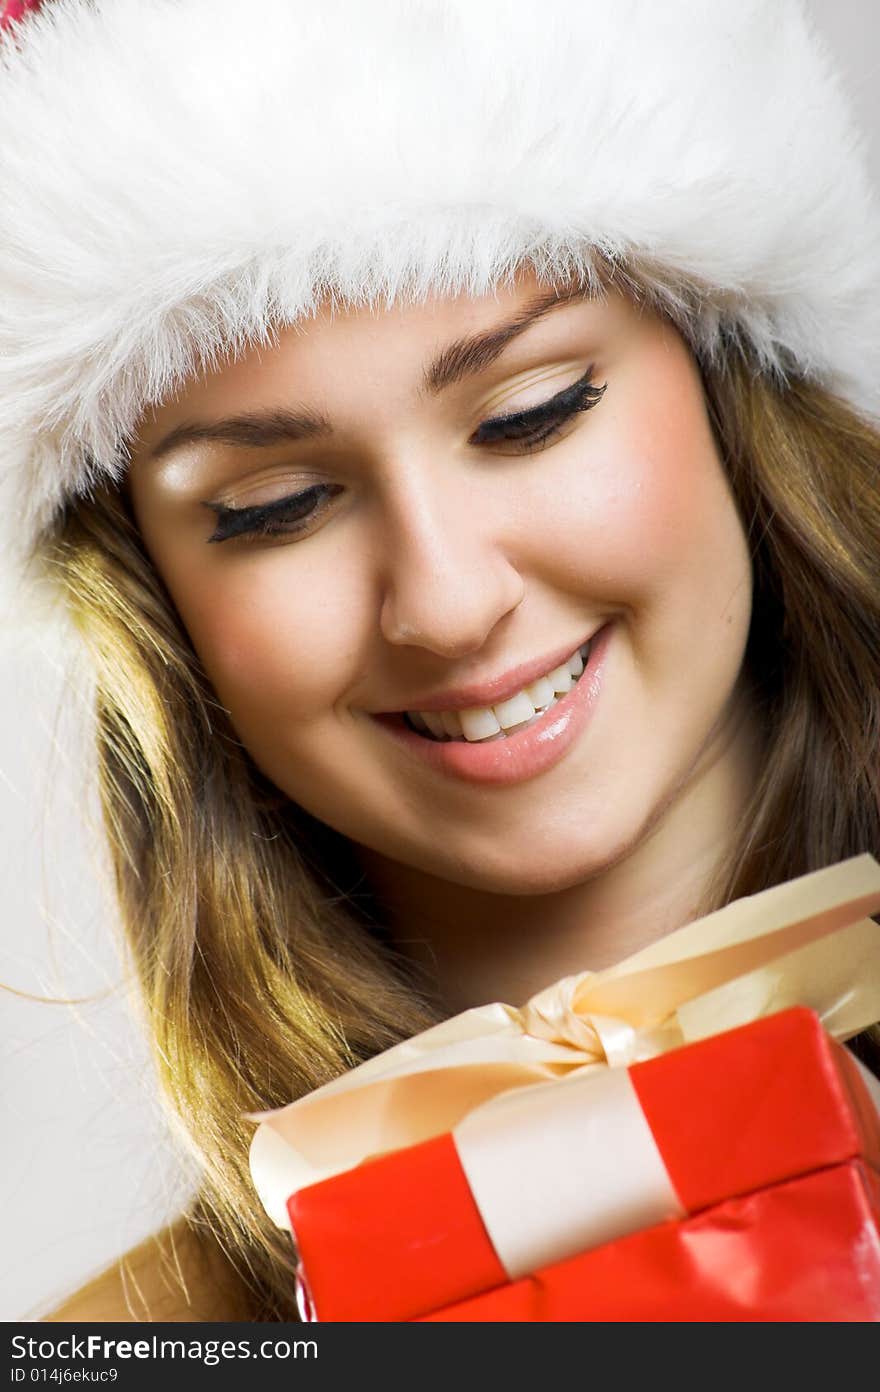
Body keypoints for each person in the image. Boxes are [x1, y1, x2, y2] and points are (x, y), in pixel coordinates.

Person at [2, 0, 878, 1322]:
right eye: (275, 505)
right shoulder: (135, 1346)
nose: (450, 602)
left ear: (729, 380)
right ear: (159, 608)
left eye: (531, 415)